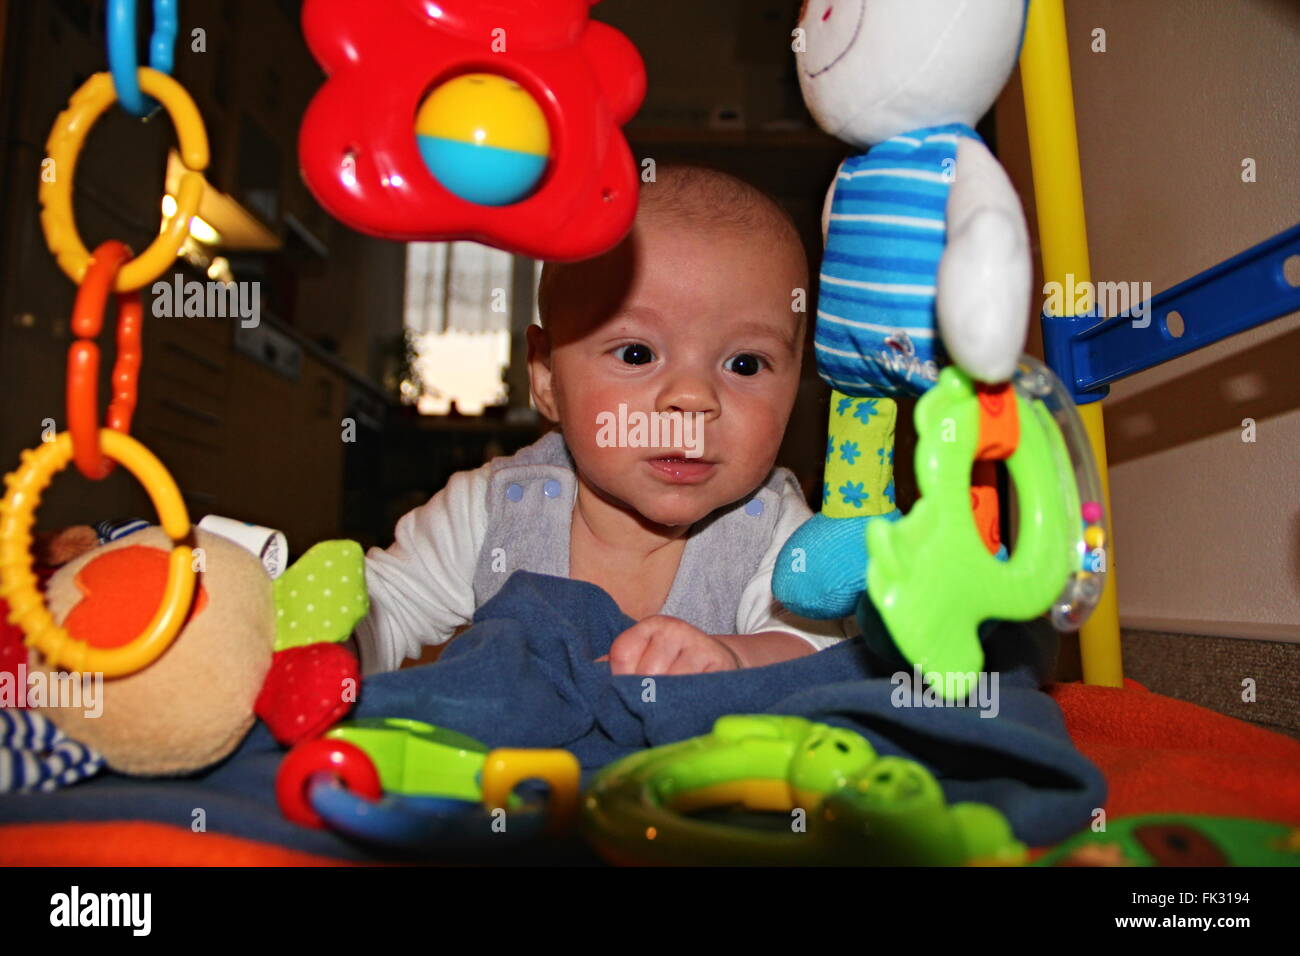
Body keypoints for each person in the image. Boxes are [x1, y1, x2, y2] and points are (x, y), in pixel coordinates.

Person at [356, 165, 855, 677]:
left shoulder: (774, 530)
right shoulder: (494, 510)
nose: (692, 399)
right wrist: (338, 644)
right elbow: (387, 607)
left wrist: (736, 658)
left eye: (745, 364)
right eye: (637, 354)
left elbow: (818, 652)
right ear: (547, 375)